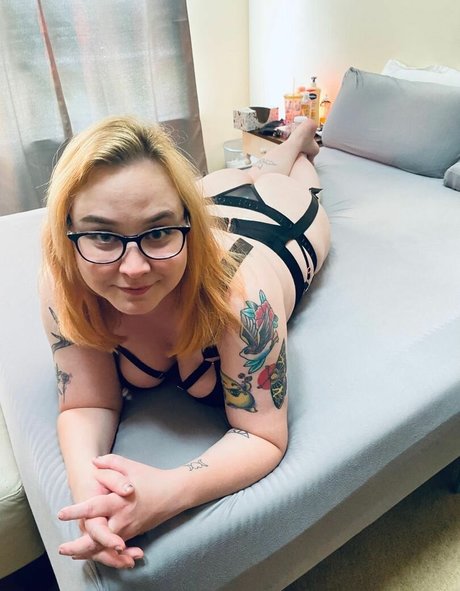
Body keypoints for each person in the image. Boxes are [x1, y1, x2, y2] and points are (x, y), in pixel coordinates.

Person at [39, 115, 330, 569]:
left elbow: (263, 435)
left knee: (291, 182)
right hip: (218, 204)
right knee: (252, 171)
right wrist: (89, 492)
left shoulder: (242, 296)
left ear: (184, 222)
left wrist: (169, 491)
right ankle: (282, 149)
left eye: (158, 231)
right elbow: (85, 403)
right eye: (102, 235)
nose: (133, 269)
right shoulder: (67, 285)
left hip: (281, 225)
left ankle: (300, 140)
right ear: (68, 231)